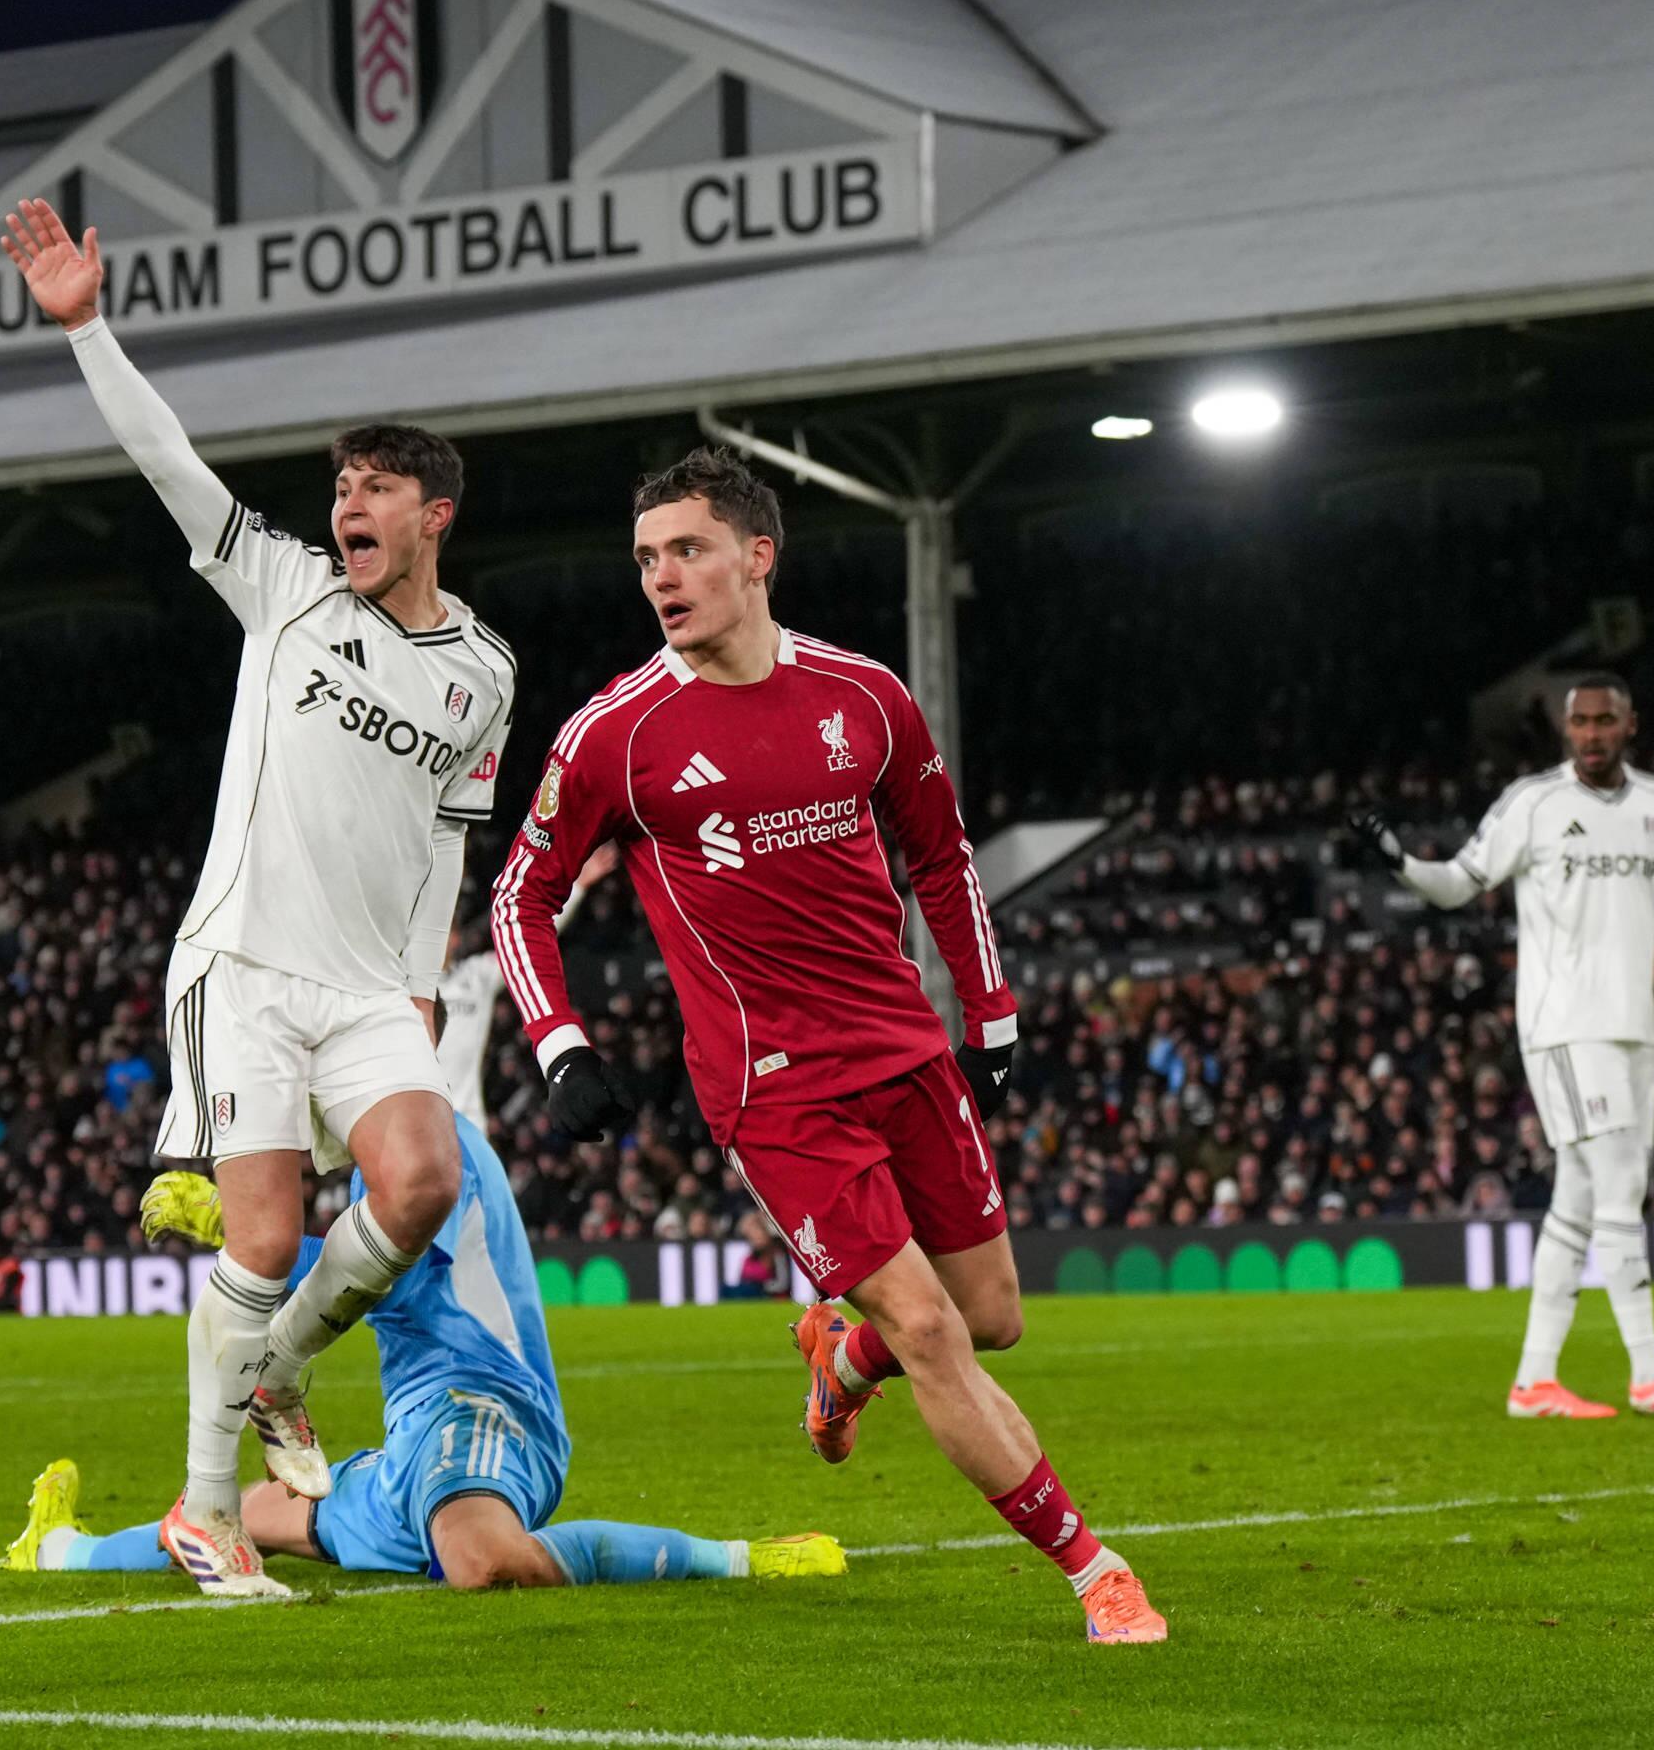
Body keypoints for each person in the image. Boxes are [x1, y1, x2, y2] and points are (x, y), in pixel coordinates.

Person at [490, 447, 1166, 1644]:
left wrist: (991, 1012)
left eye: (687, 549)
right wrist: (561, 1046)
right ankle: (1094, 1569)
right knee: (933, 1330)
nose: (661, 577)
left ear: (758, 556)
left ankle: (843, 1362)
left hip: (903, 1050)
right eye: (645, 559)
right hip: (775, 1091)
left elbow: (942, 856)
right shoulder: (617, 733)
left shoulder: (865, 696)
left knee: (990, 1316)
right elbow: (520, 895)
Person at [1, 198, 518, 1593]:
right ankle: (207, 1510)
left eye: (375, 489)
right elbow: (167, 461)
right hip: (245, 966)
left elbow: (448, 839)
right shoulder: (286, 589)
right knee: (267, 1238)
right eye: (340, 485)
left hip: (368, 985)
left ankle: (280, 1367)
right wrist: (87, 329)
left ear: (433, 517)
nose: (347, 505)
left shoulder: (484, 672)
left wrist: (421, 982)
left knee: (425, 1180)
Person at [0, 1115, 841, 1593]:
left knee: (482, 1560)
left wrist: (243, 1232)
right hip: (416, 1440)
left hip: (484, 1408)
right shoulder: (382, 1165)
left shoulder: (433, 1150)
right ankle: (59, 1547)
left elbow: (389, 1282)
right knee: (234, 1518)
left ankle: (736, 1558)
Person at [1352, 675, 1654, 1419]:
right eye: (1580, 722)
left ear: (1629, 725)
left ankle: (1533, 1382)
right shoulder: (1532, 802)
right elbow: (1456, 885)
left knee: (1577, 1202)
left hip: (1634, 1026)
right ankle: (1649, 1370)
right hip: (1565, 1025)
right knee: (1620, 1182)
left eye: (1605, 721)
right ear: (1566, 728)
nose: (1592, 734)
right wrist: (1399, 862)